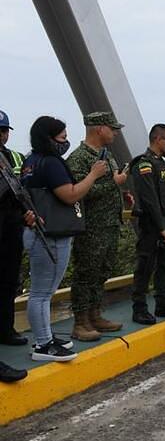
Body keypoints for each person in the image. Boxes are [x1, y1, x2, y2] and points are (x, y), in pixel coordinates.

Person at [21, 116, 107, 361]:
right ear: (49, 138)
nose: (65, 142)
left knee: (42, 291)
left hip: (38, 232)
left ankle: (46, 336)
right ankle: (43, 344)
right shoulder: (51, 163)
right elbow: (69, 195)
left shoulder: (31, 161)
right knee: (42, 293)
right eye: (62, 138)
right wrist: (93, 175)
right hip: (51, 235)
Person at [64, 112, 127, 342]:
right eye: (112, 128)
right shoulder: (79, 158)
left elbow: (108, 187)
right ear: (100, 128)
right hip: (91, 227)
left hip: (110, 224)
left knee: (103, 271)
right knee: (86, 273)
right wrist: (113, 182)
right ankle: (80, 322)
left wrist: (121, 193)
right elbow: (80, 193)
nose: (116, 132)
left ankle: (95, 314)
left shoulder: (106, 155)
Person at [129, 124, 165, 324]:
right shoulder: (144, 164)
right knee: (145, 265)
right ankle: (139, 307)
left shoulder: (162, 163)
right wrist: (161, 228)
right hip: (152, 221)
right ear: (158, 140)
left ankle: (163, 303)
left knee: (164, 264)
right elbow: (149, 199)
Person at [0, 110, 32, 347]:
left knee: (10, 280)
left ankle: (6, 330)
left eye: (3, 131)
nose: (1, 136)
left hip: (13, 227)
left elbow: (26, 191)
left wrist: (28, 213)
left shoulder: (17, 158)